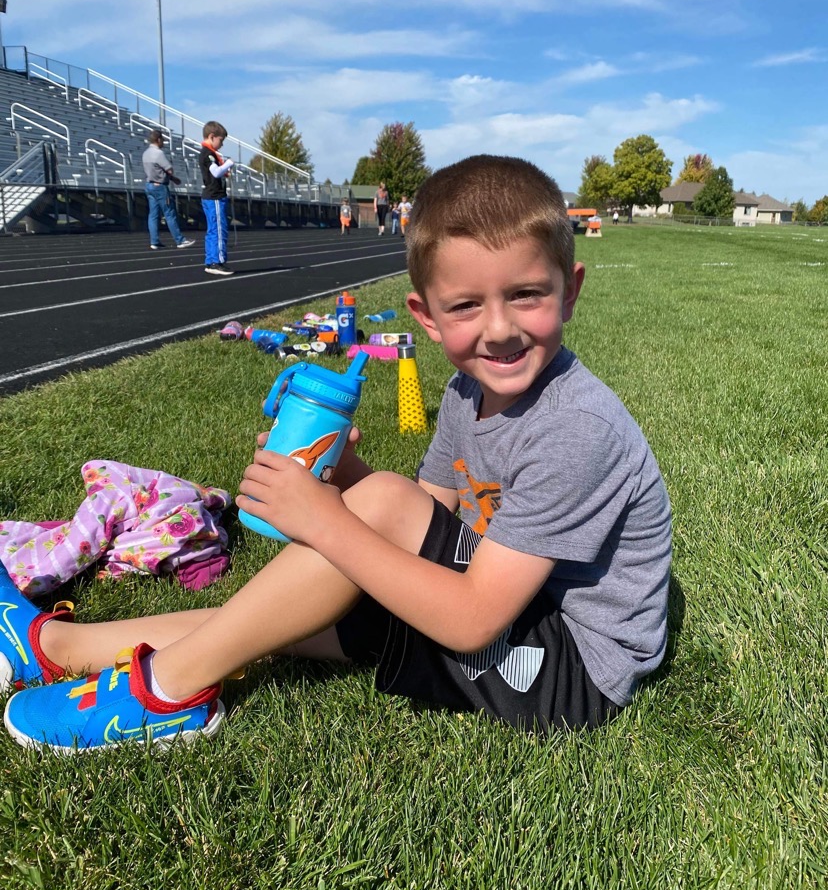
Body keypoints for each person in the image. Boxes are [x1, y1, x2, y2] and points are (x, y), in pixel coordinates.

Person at [1, 154, 672, 751]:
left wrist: (326, 516)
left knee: (360, 523)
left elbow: (470, 621)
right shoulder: (469, 393)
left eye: (525, 295)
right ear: (427, 317)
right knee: (271, 617)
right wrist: (340, 475)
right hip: (513, 612)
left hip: (570, 672)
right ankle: (54, 648)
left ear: (570, 291)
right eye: (466, 305)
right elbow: (427, 519)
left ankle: (168, 696)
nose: (498, 330)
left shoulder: (575, 428)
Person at [141, 130, 196, 251]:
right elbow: (169, 169)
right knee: (169, 213)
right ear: (158, 140)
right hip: (160, 186)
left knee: (153, 214)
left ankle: (154, 241)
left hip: (149, 185)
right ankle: (179, 240)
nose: (163, 142)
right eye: (163, 140)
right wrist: (172, 177)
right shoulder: (158, 153)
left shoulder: (145, 153)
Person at [199, 121, 234, 276]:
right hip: (214, 197)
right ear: (212, 137)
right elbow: (216, 172)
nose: (221, 145)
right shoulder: (208, 154)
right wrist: (229, 164)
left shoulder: (208, 153)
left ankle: (211, 260)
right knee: (219, 230)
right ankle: (217, 261)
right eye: (221, 140)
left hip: (211, 196)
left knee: (213, 230)